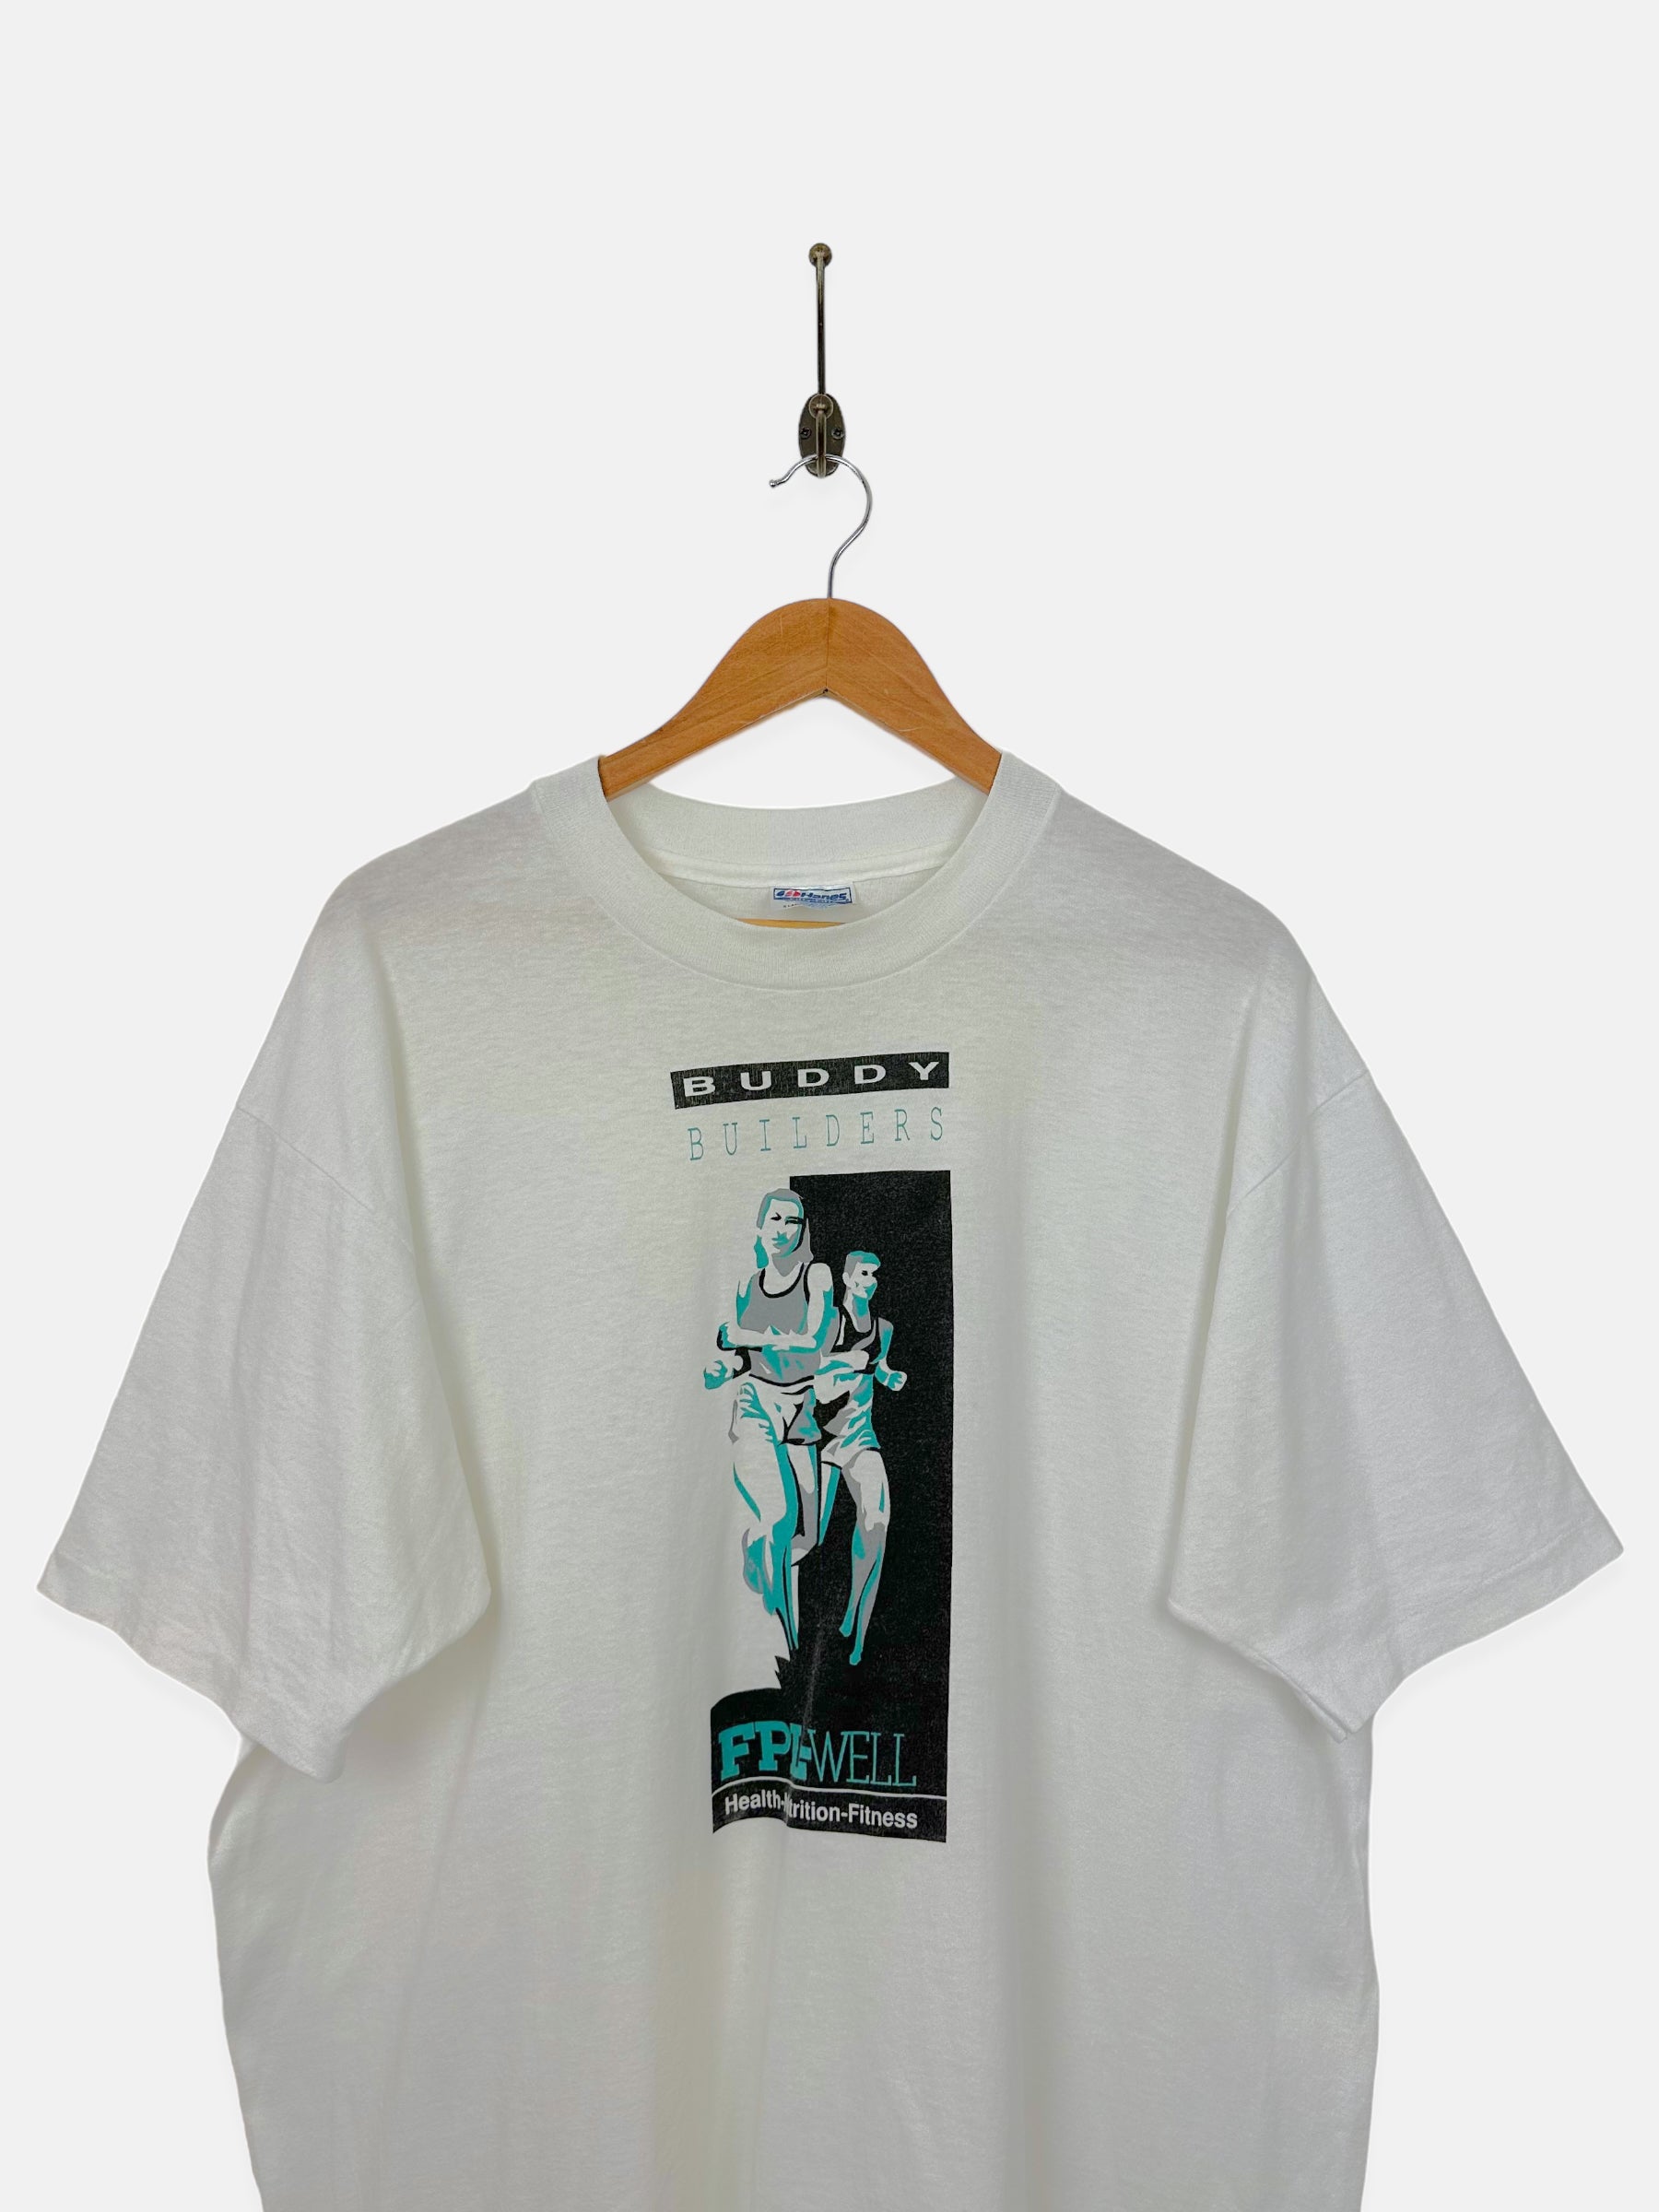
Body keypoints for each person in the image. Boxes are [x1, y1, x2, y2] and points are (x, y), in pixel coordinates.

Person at [703, 1190, 835, 1652]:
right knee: (779, 1517)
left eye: (792, 1221)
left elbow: (812, 1341)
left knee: (808, 1536)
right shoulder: (747, 1285)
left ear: (802, 1230)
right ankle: (784, 1641)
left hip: (800, 1407)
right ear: (759, 1228)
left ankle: (758, 1557)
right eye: (775, 1219)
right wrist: (729, 1368)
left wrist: (743, 1337)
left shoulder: (816, 1275)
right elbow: (752, 1359)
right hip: (757, 1403)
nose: (783, 1229)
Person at [812, 1250, 906, 1665]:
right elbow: (810, 1364)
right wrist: (845, 1360)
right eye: (863, 1274)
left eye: (874, 1275)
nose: (871, 1281)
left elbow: (878, 1366)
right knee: (812, 1535)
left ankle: (858, 1625)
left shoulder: (884, 1329)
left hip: (860, 1435)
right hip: (820, 1436)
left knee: (877, 1521)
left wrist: (889, 1376)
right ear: (847, 1279)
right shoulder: (831, 1320)